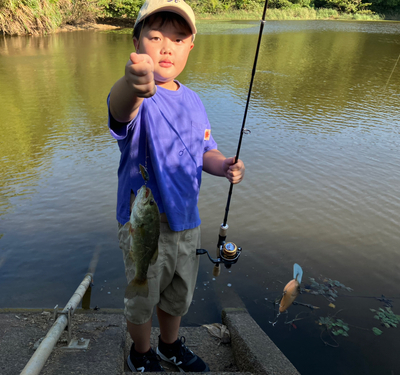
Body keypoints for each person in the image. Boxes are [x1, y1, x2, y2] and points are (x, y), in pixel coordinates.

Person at [107, 0, 246, 372]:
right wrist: (132, 83)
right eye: (154, 36)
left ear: (190, 47)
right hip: (144, 222)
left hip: (187, 221)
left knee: (176, 296)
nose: (166, 46)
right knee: (142, 296)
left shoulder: (195, 101)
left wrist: (225, 165)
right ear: (136, 43)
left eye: (178, 38)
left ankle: (169, 346)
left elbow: (206, 150)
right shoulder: (139, 97)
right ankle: (141, 351)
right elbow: (120, 110)